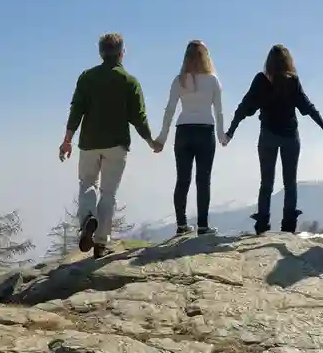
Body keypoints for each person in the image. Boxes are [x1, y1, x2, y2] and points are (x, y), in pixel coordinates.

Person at [58, 33, 162, 258]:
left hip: (89, 143)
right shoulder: (129, 81)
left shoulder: (87, 77)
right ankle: (101, 243)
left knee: (87, 184)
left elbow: (76, 110)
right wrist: (150, 141)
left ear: (100, 52)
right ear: (122, 53)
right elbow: (138, 117)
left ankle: (87, 218)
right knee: (108, 193)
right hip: (117, 145)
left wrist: (67, 140)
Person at [224, 44, 323, 234]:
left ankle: (262, 223)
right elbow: (308, 106)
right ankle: (288, 226)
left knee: (266, 182)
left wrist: (231, 131)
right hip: (290, 137)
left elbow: (244, 106)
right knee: (290, 182)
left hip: (268, 135)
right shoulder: (292, 81)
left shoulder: (261, 80)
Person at [153, 40, 226, 236]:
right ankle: (203, 226)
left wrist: (161, 138)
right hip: (205, 130)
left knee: (182, 179)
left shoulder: (180, 80)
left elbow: (169, 110)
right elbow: (218, 111)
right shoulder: (213, 80)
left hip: (183, 130)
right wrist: (222, 135)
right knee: (203, 180)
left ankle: (181, 224)